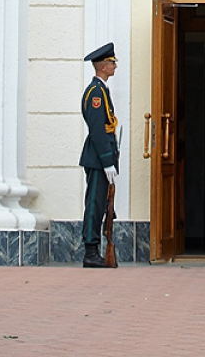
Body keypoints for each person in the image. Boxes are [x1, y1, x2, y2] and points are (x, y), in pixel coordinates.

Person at [80, 42, 119, 268]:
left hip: (101, 158)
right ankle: (91, 251)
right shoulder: (96, 93)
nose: (115, 67)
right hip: (97, 159)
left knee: (101, 204)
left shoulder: (102, 90)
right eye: (112, 63)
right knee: (94, 204)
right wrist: (106, 161)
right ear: (103, 66)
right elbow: (97, 130)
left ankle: (94, 249)